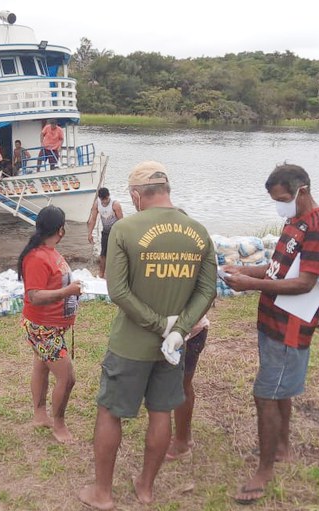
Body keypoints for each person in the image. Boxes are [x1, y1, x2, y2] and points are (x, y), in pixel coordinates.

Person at [78, 161, 218, 509]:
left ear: (137, 195)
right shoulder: (198, 232)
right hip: (172, 349)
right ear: (167, 191)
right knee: (160, 413)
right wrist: (179, 330)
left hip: (130, 344)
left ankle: (103, 493)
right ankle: (145, 487)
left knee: (111, 412)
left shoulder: (126, 229)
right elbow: (208, 292)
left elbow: (118, 292)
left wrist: (160, 325)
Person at [221, 163, 319, 505]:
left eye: (283, 198)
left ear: (301, 190)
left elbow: (305, 283)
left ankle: (264, 470)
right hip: (271, 321)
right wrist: (241, 271)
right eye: (276, 200)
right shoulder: (293, 222)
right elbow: (277, 270)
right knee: (279, 389)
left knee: (266, 395)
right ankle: (282, 446)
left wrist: (251, 284)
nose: (279, 205)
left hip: (291, 327)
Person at [18, 206, 82, 444]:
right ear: (61, 230)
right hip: (42, 328)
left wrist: (71, 291)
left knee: (41, 365)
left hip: (51, 326)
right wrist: (67, 291)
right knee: (67, 378)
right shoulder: (36, 257)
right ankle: (59, 424)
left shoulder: (51, 252)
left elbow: (53, 285)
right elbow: (33, 295)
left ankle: (39, 415)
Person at [165, 315, 209, 461]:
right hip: (179, 331)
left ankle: (182, 443)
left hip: (188, 333)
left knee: (182, 385)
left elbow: (206, 295)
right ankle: (184, 437)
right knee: (181, 384)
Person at [86, 188, 124, 279]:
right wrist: (90, 233)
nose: (104, 201)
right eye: (103, 200)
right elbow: (93, 219)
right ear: (99, 198)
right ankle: (101, 274)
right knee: (103, 254)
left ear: (108, 196)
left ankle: (117, 275)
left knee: (117, 254)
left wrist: (123, 236)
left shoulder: (115, 204)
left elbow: (122, 222)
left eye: (106, 199)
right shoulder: (97, 203)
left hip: (116, 232)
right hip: (106, 232)